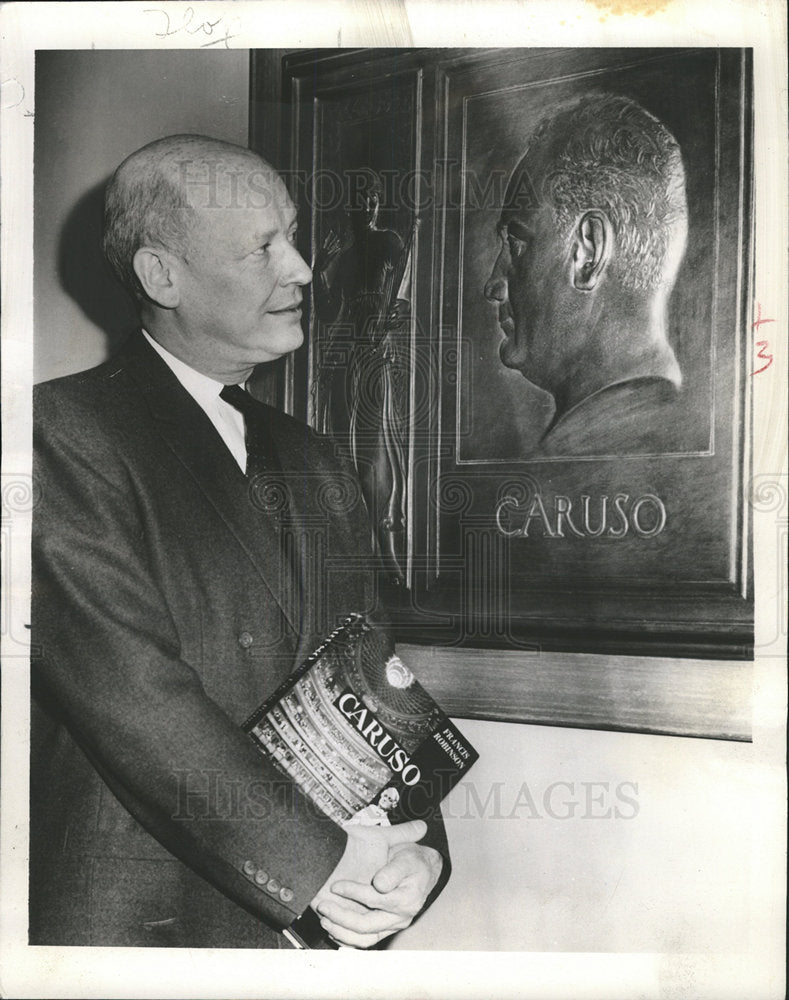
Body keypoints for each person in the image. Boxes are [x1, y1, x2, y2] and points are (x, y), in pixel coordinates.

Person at [30, 134, 448, 950]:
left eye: (290, 236)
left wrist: (416, 851)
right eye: (263, 247)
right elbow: (136, 700)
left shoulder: (318, 459)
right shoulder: (58, 433)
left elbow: (373, 683)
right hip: (138, 931)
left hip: (302, 930)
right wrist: (327, 864)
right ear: (162, 276)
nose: (300, 268)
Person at [484, 93, 689, 457]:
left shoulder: (576, 456)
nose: (494, 286)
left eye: (516, 245)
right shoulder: (667, 426)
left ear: (588, 253)